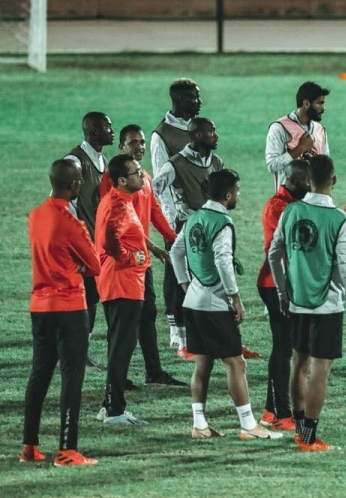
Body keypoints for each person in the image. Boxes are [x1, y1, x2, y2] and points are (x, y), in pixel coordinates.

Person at [170, 169, 281, 440]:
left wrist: (185, 284)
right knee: (235, 363)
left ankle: (199, 425)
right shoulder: (222, 222)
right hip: (214, 304)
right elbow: (222, 260)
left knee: (202, 365)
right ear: (228, 195)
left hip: (193, 302)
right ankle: (248, 425)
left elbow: (176, 251)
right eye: (237, 191)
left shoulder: (194, 217)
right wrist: (235, 297)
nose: (238, 196)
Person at [269, 155, 346, 451]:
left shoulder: (291, 211)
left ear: (308, 180)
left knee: (299, 364)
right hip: (327, 306)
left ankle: (300, 430)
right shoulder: (339, 220)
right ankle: (309, 438)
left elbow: (274, 254)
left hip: (297, 303)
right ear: (334, 180)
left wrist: (283, 293)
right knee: (320, 371)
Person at [154, 118, 258, 360]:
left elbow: (223, 188)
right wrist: (175, 212)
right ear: (197, 135)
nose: (216, 135)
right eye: (211, 131)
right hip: (191, 226)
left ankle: (229, 341)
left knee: (216, 280)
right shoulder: (175, 164)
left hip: (211, 223)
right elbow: (155, 189)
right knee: (187, 281)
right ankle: (183, 341)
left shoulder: (216, 161)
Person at [20, 159, 100, 466]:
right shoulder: (71, 223)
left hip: (40, 306)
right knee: (71, 377)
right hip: (69, 307)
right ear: (73, 185)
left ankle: (29, 446)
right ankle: (67, 450)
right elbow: (94, 266)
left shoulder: (35, 216)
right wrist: (77, 264)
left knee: (39, 375)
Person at [99, 125, 186, 388]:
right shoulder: (115, 181)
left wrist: (172, 239)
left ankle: (153, 372)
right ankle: (117, 380)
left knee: (147, 314)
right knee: (121, 322)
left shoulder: (143, 176)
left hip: (140, 258)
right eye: (133, 143)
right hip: (124, 263)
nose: (139, 147)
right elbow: (116, 225)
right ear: (121, 148)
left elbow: (154, 211)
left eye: (142, 142)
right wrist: (145, 250)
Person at [94, 154, 150, 425]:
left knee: (119, 345)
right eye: (137, 172)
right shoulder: (118, 204)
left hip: (120, 283)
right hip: (123, 283)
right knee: (121, 348)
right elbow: (110, 241)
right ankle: (114, 410)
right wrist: (130, 258)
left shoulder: (119, 200)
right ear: (122, 180)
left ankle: (109, 406)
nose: (142, 175)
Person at [256, 160, 310, 431]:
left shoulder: (291, 204)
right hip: (276, 283)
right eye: (307, 181)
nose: (311, 185)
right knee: (283, 348)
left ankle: (270, 411)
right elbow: (291, 245)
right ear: (294, 181)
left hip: (284, 282)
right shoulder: (279, 207)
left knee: (284, 346)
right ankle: (281, 414)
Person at [151, 78, 202, 352]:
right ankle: (175, 327)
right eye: (194, 97)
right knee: (175, 269)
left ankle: (195, 325)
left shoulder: (198, 127)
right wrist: (173, 220)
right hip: (178, 218)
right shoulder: (161, 135)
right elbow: (160, 181)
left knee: (197, 268)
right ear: (180, 100)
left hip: (200, 214)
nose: (199, 102)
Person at [64, 111, 115, 371]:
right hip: (80, 246)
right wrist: (77, 239)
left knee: (91, 298)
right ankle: (75, 354)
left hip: (96, 246)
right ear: (94, 130)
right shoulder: (75, 161)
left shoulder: (103, 161)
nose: (112, 131)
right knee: (82, 300)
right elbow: (63, 203)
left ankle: (79, 352)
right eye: (107, 127)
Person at [266, 81, 330, 191]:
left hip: (314, 197)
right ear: (306, 104)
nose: (323, 108)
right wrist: (300, 149)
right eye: (319, 103)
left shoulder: (320, 130)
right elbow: (272, 165)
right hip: (288, 199)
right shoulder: (279, 128)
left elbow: (326, 167)